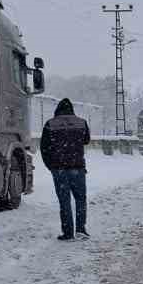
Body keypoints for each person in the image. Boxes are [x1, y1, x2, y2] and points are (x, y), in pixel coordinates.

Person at [39, 98, 91, 240]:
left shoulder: (50, 124)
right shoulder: (81, 122)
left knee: (64, 200)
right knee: (80, 199)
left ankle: (68, 232)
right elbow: (86, 140)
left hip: (59, 169)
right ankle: (81, 229)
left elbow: (44, 147)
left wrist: (51, 166)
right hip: (77, 168)